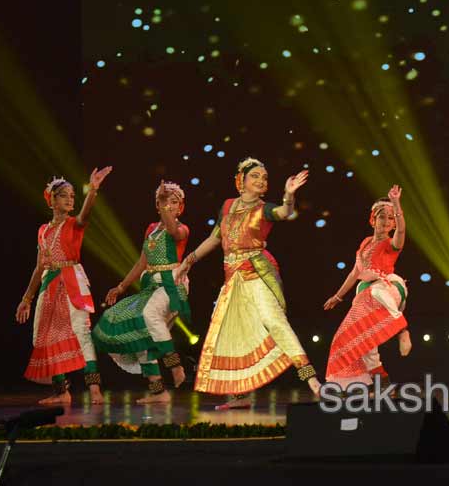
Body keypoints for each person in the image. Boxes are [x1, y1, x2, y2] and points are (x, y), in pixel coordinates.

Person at [174, 158, 320, 409]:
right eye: (256, 176)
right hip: (232, 276)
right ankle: (240, 396)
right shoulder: (228, 205)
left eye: (264, 177)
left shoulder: (264, 209)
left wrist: (288, 195)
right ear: (241, 180)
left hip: (255, 271)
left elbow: (284, 213)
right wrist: (189, 260)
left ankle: (312, 380)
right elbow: (215, 237)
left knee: (274, 321)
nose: (262, 180)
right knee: (231, 331)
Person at [16, 168, 112, 405]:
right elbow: (40, 267)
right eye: (64, 195)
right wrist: (26, 298)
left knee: (80, 332)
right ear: (51, 200)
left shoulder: (73, 224)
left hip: (71, 280)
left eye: (72, 195)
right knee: (44, 337)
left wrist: (93, 190)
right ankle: (62, 391)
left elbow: (84, 215)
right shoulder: (43, 231)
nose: (70, 199)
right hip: (49, 284)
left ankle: (94, 387)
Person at [93, 180, 190, 403]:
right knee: (139, 334)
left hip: (171, 285)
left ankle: (175, 366)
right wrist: (121, 287)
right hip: (150, 287)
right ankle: (158, 391)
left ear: (180, 207)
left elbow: (173, 230)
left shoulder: (182, 229)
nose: (170, 206)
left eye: (174, 203)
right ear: (157, 205)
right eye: (165, 202)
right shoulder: (151, 230)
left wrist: (167, 207)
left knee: (149, 316)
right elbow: (141, 263)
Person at [324, 186, 412, 389]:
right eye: (383, 217)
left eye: (391, 218)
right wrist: (337, 297)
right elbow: (355, 273)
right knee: (354, 336)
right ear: (373, 218)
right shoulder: (365, 243)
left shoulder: (392, 243)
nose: (387, 221)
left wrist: (396, 203)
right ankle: (377, 377)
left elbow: (402, 230)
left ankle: (402, 329)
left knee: (376, 291)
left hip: (388, 287)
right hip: (364, 294)